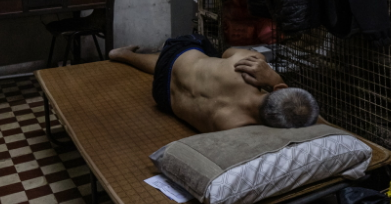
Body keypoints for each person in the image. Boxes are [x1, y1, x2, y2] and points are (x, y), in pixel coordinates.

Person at [108, 35, 319, 133]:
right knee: (191, 66)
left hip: (178, 56)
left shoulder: (247, 64)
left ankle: (124, 55)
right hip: (165, 98)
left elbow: (227, 52)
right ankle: (124, 55)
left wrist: (273, 77)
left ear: (279, 89)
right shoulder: (235, 127)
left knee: (206, 54)